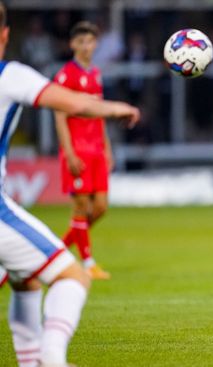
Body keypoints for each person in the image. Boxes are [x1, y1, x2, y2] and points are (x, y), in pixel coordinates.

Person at [0, 2, 140, 366]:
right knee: (71, 276)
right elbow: (66, 106)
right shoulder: (12, 74)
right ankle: (53, 359)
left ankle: (31, 360)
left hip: (95, 149)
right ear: (5, 35)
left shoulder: (94, 74)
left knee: (27, 280)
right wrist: (116, 108)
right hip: (72, 154)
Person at [53, 21, 117, 280]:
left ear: (95, 44)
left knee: (100, 207)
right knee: (80, 207)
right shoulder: (66, 74)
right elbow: (59, 114)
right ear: (72, 45)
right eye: (81, 42)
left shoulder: (95, 74)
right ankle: (88, 262)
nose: (86, 47)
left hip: (97, 150)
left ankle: (56, 253)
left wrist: (108, 148)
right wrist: (68, 151)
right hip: (77, 149)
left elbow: (99, 114)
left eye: (90, 42)